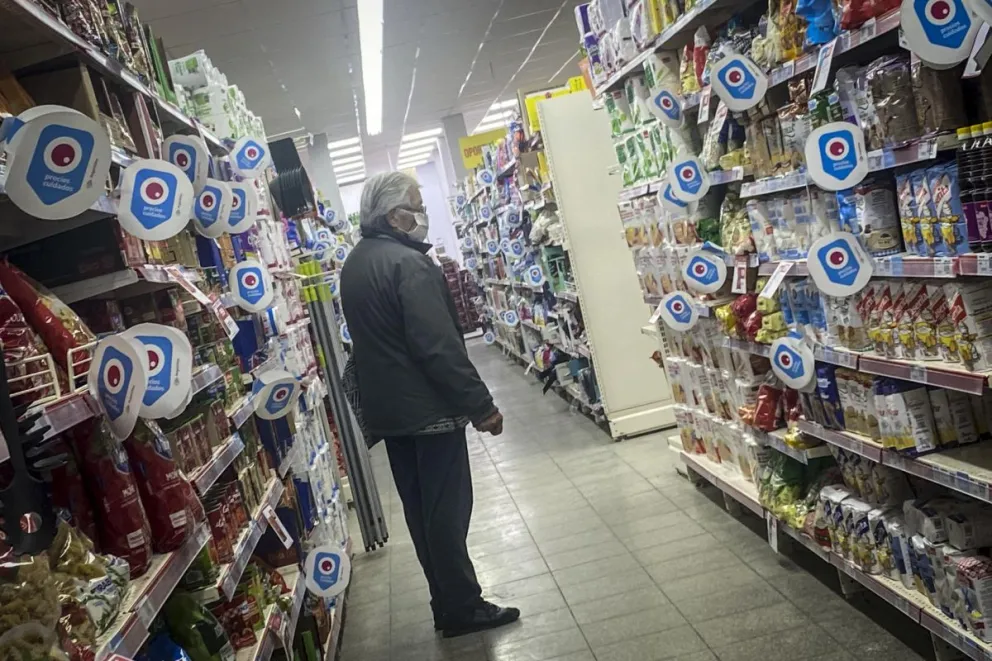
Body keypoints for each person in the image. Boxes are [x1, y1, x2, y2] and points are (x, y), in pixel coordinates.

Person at [339, 171, 520, 638]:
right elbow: (437, 345)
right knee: (447, 512)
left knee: (421, 514)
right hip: (430, 412)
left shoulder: (354, 264)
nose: (421, 214)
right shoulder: (410, 265)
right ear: (393, 214)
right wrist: (481, 406)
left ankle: (446, 602)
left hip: (392, 415)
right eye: (415, 206)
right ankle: (464, 607)